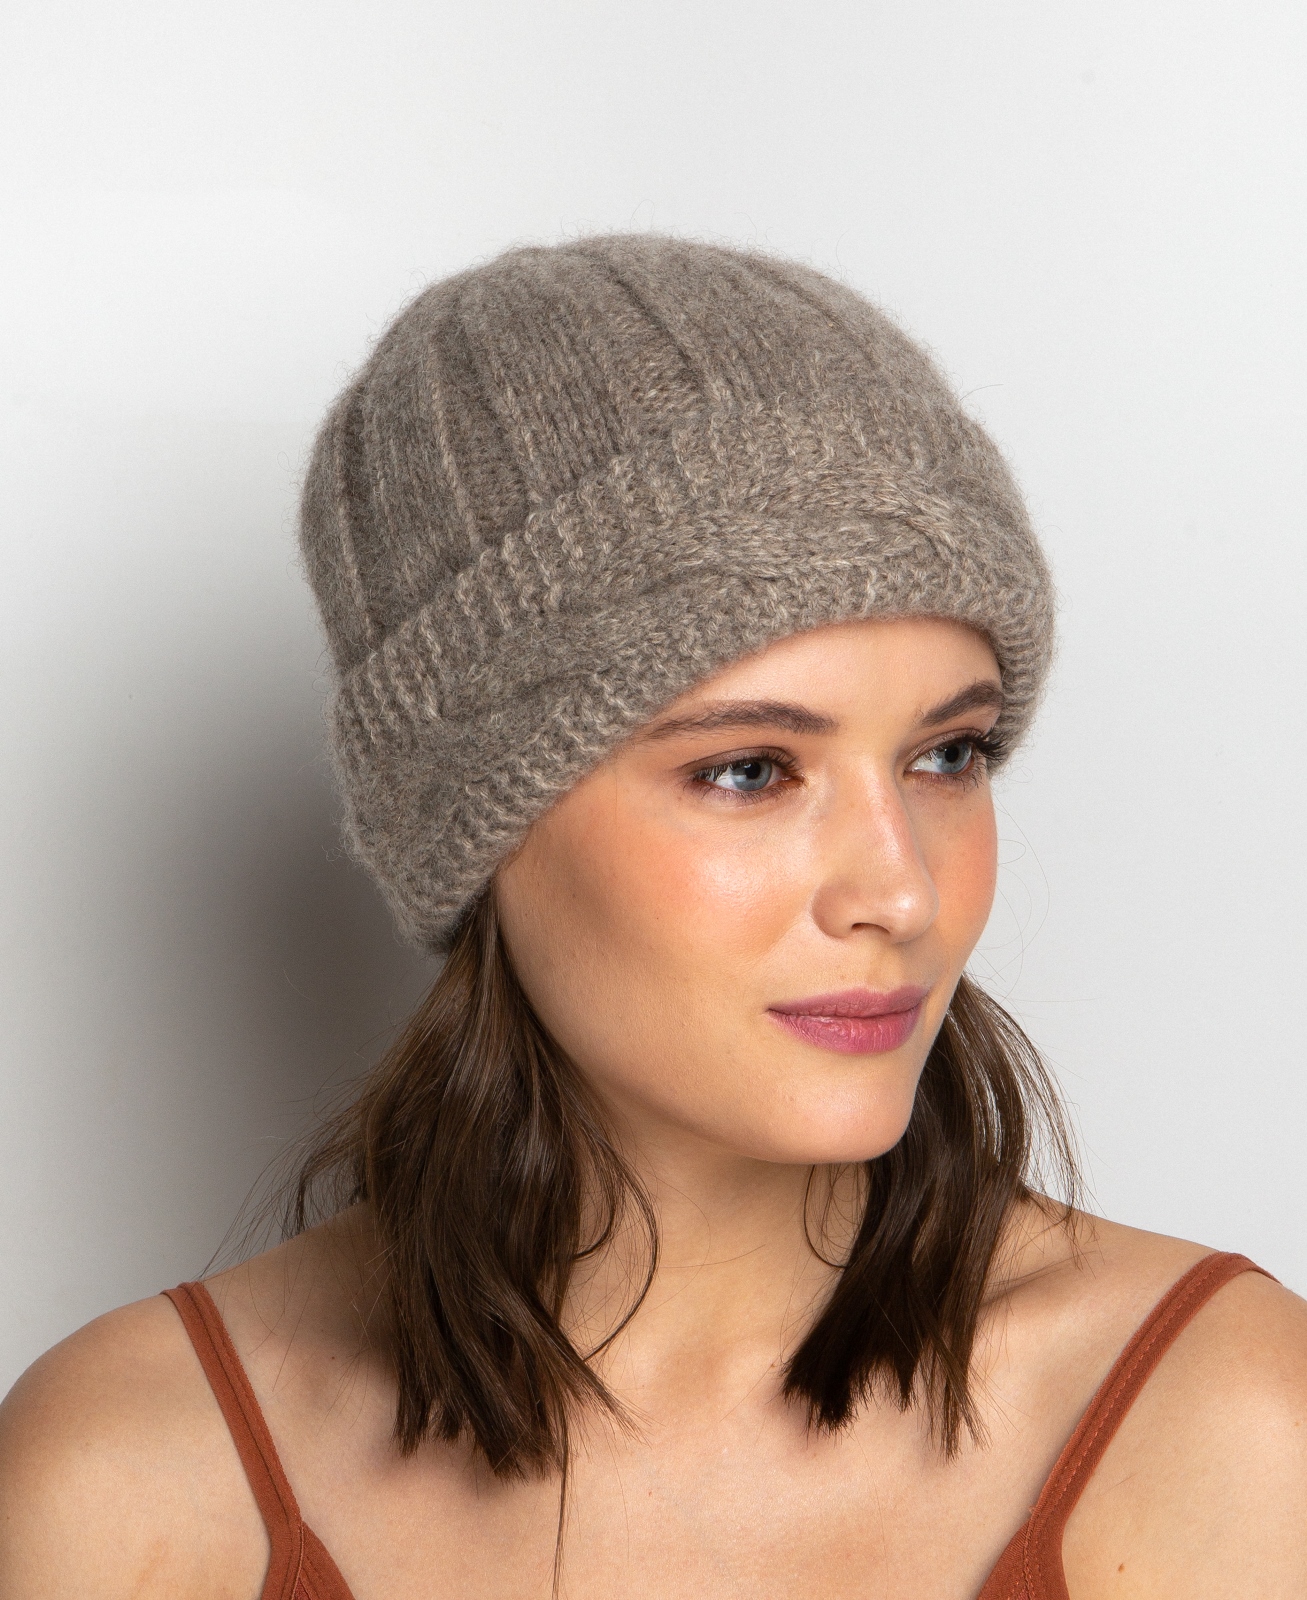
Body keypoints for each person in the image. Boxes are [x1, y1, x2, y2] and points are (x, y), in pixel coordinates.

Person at [0, 235, 1303, 1600]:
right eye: (749, 771)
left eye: (948, 755)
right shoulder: (129, 1476)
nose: (901, 891)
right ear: (475, 819)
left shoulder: (1226, 1423)